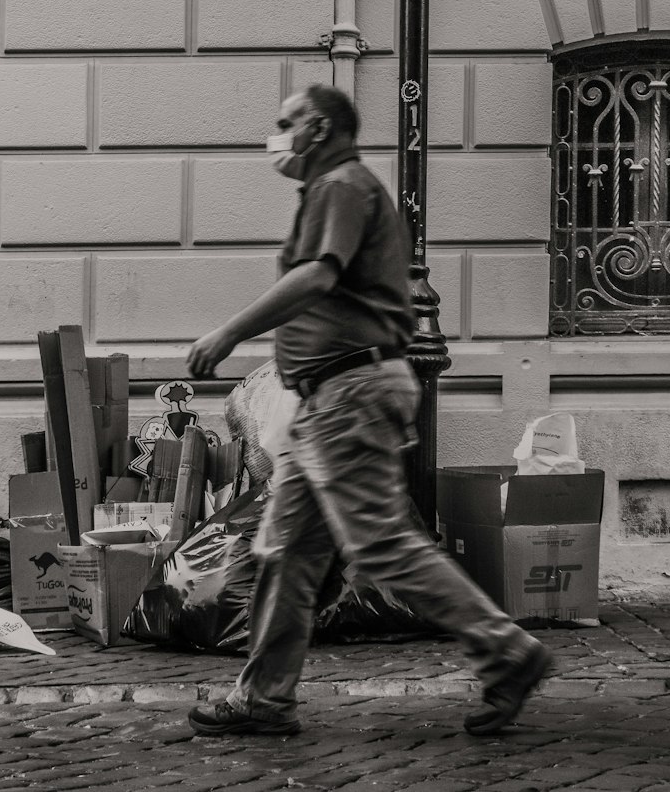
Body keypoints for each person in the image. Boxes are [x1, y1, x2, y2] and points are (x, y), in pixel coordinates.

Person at [186, 84, 553, 739]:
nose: (277, 134)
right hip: (326, 399)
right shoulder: (331, 188)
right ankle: (265, 696)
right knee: (285, 552)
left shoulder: (342, 184)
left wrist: (229, 332)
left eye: (286, 122)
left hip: (348, 393)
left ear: (318, 127)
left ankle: (508, 649)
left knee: (380, 545)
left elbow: (319, 277)